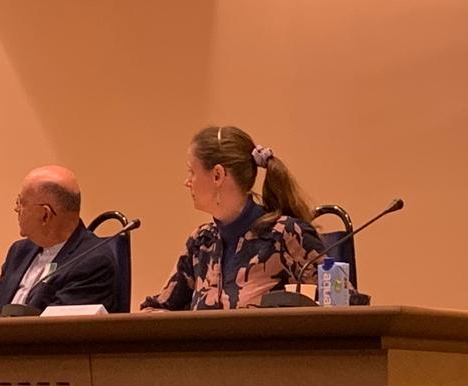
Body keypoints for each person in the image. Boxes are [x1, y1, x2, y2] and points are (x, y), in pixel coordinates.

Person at [142, 125, 332, 311]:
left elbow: (341, 305)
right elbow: (158, 308)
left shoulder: (286, 236)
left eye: (192, 172)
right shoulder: (201, 243)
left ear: (218, 175)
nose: (187, 182)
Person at [0, 166, 119, 316]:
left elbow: (54, 328)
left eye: (21, 203)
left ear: (45, 214)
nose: (17, 209)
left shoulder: (92, 261)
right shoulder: (19, 252)